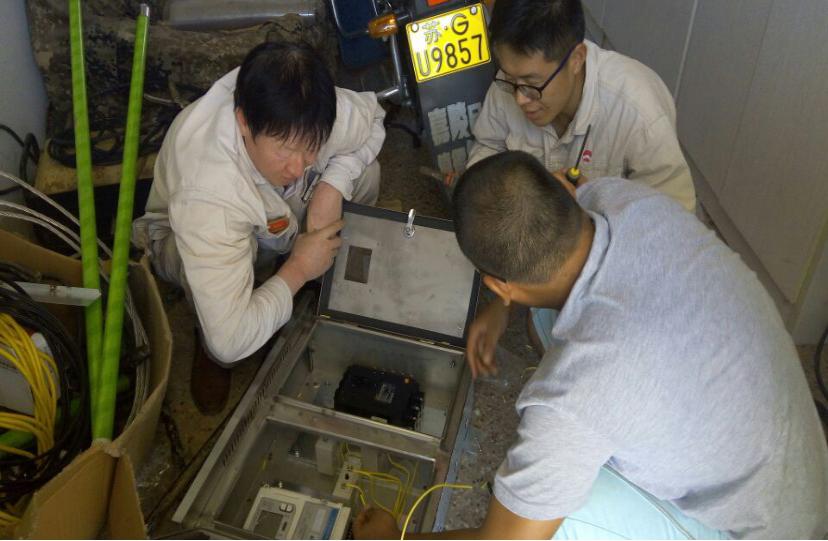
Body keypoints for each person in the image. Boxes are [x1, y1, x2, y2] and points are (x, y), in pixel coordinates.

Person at [353, 151, 828, 539]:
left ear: (498, 283)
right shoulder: (623, 199)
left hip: (767, 530)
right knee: (550, 316)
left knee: (554, 521)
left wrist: (393, 540)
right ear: (563, 189)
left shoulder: (573, 395)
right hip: (796, 462)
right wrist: (501, 307)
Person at [132, 41, 386, 414]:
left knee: (366, 173)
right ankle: (213, 331)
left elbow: (374, 117)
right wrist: (298, 269)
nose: (297, 167)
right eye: (284, 149)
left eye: (311, 147)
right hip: (187, 236)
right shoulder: (208, 194)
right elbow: (230, 341)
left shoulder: (310, 107)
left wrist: (331, 188)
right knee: (226, 336)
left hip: (275, 216)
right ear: (243, 122)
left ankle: (322, 281)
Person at [467, 0, 696, 355]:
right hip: (550, 257)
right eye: (509, 80)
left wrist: (598, 206)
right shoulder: (510, 87)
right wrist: (505, 300)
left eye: (532, 84)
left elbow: (674, 234)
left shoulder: (638, 112)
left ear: (576, 59)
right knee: (548, 334)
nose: (520, 99)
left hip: (623, 274)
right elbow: (487, 148)